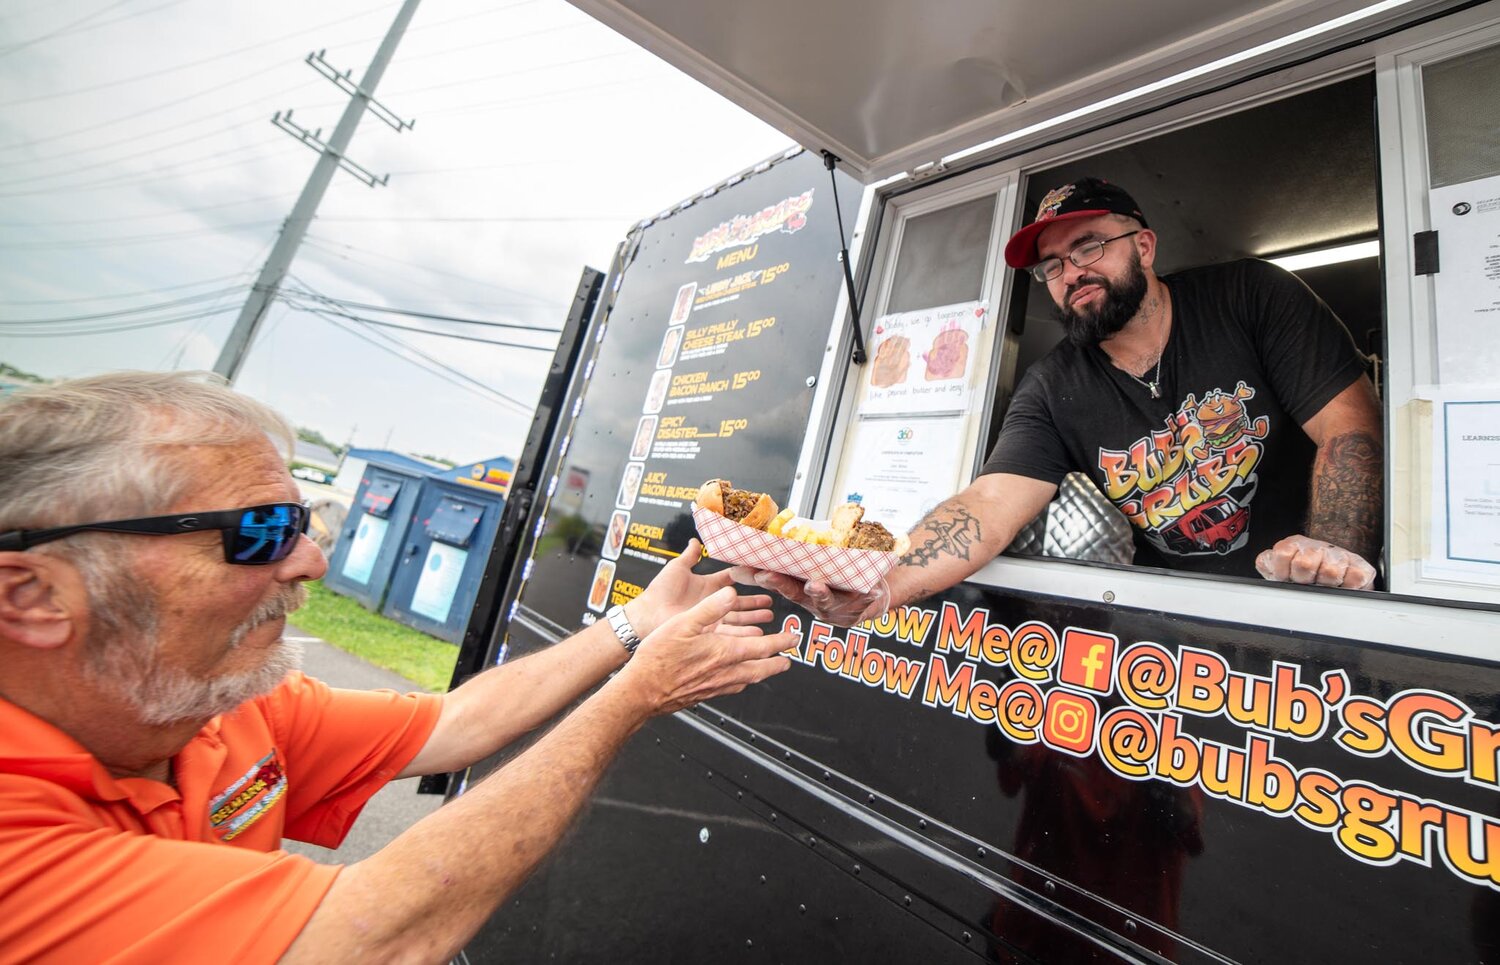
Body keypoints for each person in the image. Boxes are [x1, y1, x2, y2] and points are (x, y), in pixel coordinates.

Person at [0, 371, 794, 963]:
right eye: (259, 531)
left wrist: (635, 625)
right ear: (33, 593)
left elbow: (456, 725)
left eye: (300, 521)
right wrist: (636, 693)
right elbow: (384, 931)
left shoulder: (209, 707)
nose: (310, 558)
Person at [744, 177, 1383, 625]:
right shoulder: (1055, 384)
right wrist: (882, 589)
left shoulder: (1249, 297)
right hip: (1189, 627)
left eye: (1088, 246)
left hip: (1312, 607)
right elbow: (990, 504)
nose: (1070, 272)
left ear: (1144, 245)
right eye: (1052, 266)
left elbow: (1348, 426)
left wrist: (1331, 552)